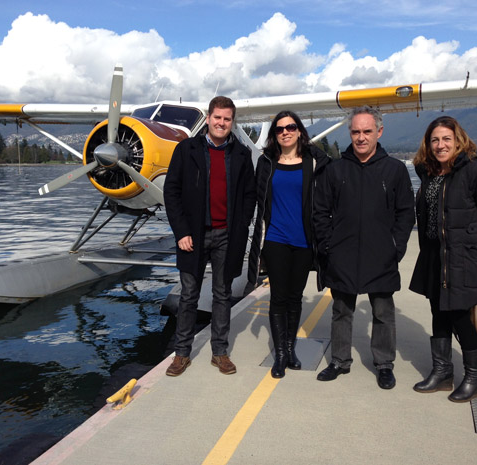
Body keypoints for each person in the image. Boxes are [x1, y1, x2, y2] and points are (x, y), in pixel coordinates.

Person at [313, 106, 415, 389]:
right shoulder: (335, 169)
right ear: (350, 133)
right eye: (356, 132)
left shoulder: (394, 170)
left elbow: (406, 213)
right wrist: (328, 245)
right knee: (341, 310)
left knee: (383, 312)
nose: (361, 137)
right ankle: (339, 361)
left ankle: (384, 364)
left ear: (379, 132)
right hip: (342, 252)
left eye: (367, 131)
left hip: (381, 253)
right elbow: (320, 211)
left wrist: (396, 246)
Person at [163, 96, 256, 377]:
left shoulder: (241, 154)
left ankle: (220, 352)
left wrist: (241, 225)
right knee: (189, 295)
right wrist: (181, 232)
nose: (221, 123)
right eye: (217, 117)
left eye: (227, 119)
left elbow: (250, 195)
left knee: (222, 294)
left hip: (227, 235)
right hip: (193, 235)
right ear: (208, 118)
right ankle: (181, 354)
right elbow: (172, 192)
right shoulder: (186, 149)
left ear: (232, 122)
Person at [409, 116, 477, 402]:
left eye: (446, 139)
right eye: (435, 140)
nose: (440, 145)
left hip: (463, 258)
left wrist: (476, 248)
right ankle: (442, 371)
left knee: (461, 317)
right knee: (438, 314)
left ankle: (474, 375)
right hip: (434, 257)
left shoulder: (476, 171)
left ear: (458, 140)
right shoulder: (429, 174)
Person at [247, 110, 330, 378]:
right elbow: (257, 200)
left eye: (291, 127)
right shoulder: (266, 162)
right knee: (279, 298)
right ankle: (281, 354)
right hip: (276, 239)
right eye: (280, 128)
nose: (286, 131)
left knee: (295, 298)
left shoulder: (312, 161)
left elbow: (327, 169)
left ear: (299, 131)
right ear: (274, 134)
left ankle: (291, 348)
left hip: (305, 240)